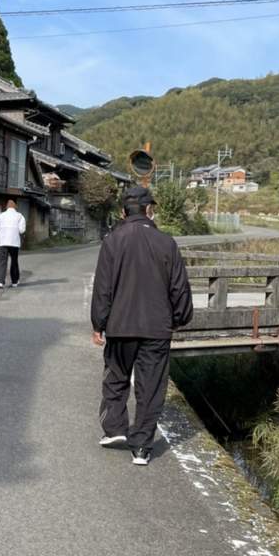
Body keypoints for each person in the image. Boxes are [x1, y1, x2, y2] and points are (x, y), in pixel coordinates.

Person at [90, 185, 193, 466]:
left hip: (120, 324)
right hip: (156, 328)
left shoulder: (112, 241)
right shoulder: (167, 243)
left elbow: (103, 288)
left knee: (116, 375)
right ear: (150, 210)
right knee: (151, 387)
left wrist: (99, 323)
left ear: (123, 212)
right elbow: (179, 288)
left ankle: (114, 428)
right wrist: (180, 318)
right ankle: (142, 447)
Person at [0, 199, 26, 289]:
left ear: (7, 207)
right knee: (14, 261)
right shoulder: (20, 216)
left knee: (2, 262)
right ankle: (14, 282)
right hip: (14, 242)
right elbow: (22, 230)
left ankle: (0, 282)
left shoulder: (1, 215)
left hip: (2, 242)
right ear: (15, 207)